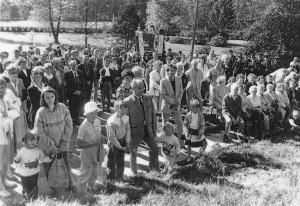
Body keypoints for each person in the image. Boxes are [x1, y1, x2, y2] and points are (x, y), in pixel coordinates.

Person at [35, 87, 76, 195]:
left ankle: (70, 184)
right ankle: (53, 189)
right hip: (48, 147)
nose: (50, 99)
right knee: (49, 167)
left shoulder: (62, 107)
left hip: (63, 144)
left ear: (55, 96)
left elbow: (69, 125)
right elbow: (39, 132)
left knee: (66, 164)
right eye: (47, 97)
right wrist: (52, 146)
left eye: (52, 96)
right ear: (43, 98)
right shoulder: (41, 112)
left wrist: (64, 142)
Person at [123, 79, 159, 175]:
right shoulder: (127, 102)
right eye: (139, 88)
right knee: (133, 152)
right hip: (135, 132)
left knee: (155, 148)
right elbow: (125, 121)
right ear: (133, 88)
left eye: (143, 87)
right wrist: (127, 135)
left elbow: (153, 115)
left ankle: (154, 170)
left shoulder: (148, 98)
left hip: (148, 130)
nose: (142, 90)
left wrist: (154, 129)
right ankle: (134, 173)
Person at [77, 101, 106, 193]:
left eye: (96, 113)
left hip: (97, 150)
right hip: (87, 152)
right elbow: (79, 144)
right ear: (86, 114)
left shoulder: (98, 121)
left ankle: (92, 187)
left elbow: (99, 132)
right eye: (91, 113)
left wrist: (102, 137)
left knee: (94, 171)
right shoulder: (83, 126)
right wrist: (91, 143)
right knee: (85, 172)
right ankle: (81, 191)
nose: (94, 115)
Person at [14, 130, 51, 201]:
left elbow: (43, 159)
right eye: (31, 140)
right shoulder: (22, 151)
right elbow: (17, 161)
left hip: (34, 173)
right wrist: (17, 162)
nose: (34, 141)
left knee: (34, 187)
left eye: (35, 139)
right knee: (26, 188)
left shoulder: (38, 150)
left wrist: (50, 157)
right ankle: (27, 200)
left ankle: (35, 200)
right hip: (24, 174)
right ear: (26, 141)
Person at [0, 76, 20, 197]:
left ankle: (3, 181)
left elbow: (16, 110)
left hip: (6, 133)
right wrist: (7, 116)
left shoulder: (6, 98)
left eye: (2, 87)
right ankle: (0, 188)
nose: (1, 89)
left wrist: (7, 114)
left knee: (5, 160)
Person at [161, 64, 184, 147]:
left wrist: (178, 101)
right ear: (167, 71)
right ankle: (165, 143)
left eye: (174, 70)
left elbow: (181, 91)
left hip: (176, 106)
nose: (172, 72)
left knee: (180, 123)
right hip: (167, 105)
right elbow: (163, 94)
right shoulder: (163, 81)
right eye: (171, 70)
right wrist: (173, 101)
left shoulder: (179, 79)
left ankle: (181, 143)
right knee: (165, 124)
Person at [106, 100, 130, 180]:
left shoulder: (125, 118)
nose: (123, 111)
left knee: (120, 159)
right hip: (114, 142)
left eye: (124, 109)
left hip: (122, 140)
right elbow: (111, 137)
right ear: (116, 109)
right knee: (112, 160)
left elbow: (128, 130)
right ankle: (111, 178)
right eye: (121, 109)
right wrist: (120, 147)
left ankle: (119, 177)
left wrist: (127, 142)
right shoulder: (111, 121)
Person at [65, 59, 84, 125]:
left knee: (78, 106)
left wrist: (80, 91)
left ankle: (77, 119)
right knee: (72, 107)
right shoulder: (68, 74)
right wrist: (74, 91)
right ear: (70, 66)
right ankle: (72, 120)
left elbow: (83, 83)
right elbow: (68, 85)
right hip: (72, 94)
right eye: (72, 65)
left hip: (79, 93)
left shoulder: (80, 72)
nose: (74, 66)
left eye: (75, 65)